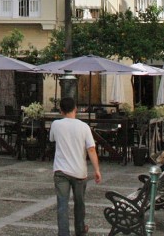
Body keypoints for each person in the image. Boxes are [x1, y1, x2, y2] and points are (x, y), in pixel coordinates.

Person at [50, 97, 102, 236]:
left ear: (61, 110)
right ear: (75, 109)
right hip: (79, 171)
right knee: (79, 203)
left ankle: (63, 233)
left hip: (61, 170)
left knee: (62, 205)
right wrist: (97, 170)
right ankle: (79, 230)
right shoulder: (84, 126)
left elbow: (52, 139)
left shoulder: (56, 124)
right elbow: (91, 149)